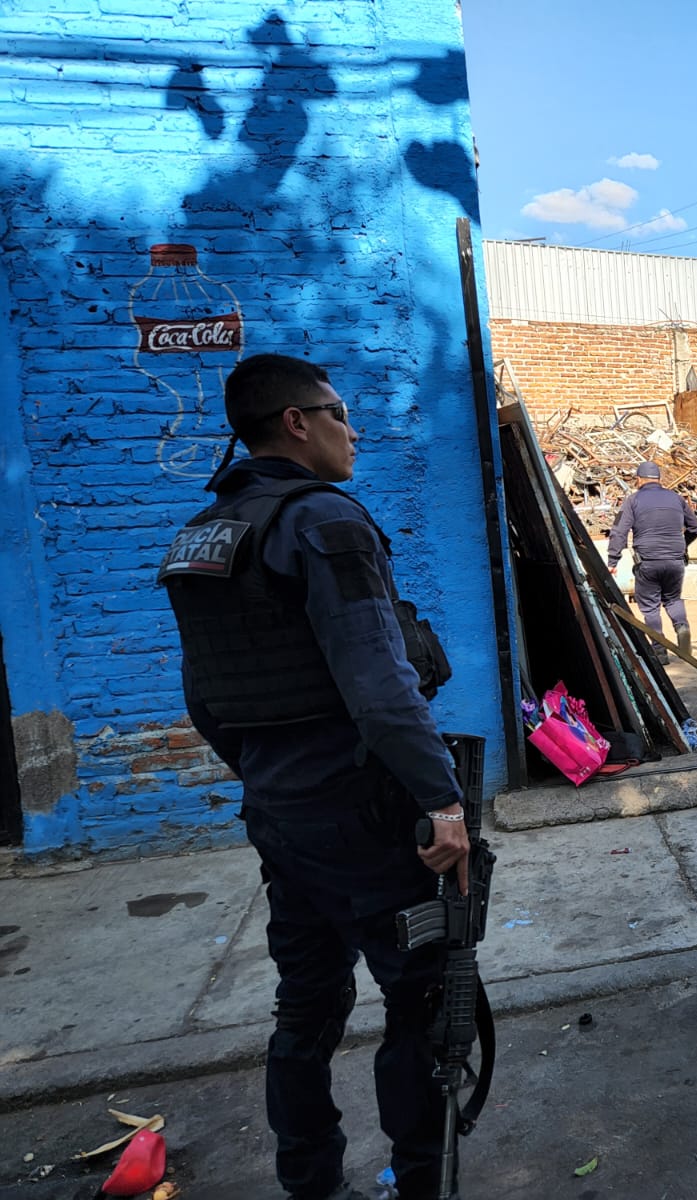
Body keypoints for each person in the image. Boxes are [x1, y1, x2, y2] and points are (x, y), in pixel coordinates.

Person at [157, 353, 470, 1200]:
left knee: (305, 1004)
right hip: (366, 814)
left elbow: (204, 695)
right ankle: (418, 1182)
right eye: (338, 412)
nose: (353, 428)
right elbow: (380, 685)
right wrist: (441, 799)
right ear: (297, 422)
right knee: (422, 1000)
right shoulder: (324, 520)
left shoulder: (206, 533)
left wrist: (264, 776)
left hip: (280, 813)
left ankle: (310, 1181)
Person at [607, 460, 697, 661]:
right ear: (658, 479)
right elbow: (696, 527)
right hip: (675, 561)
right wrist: (683, 544)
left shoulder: (631, 501)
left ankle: (659, 650)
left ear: (639, 480)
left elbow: (618, 532)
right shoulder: (677, 499)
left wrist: (612, 560)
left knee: (650, 606)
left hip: (648, 562)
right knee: (673, 599)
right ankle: (681, 627)